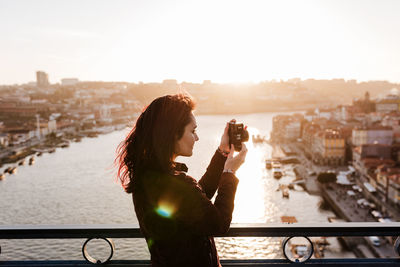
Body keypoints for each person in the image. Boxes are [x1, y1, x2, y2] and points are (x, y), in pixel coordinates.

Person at [116, 94, 247, 267]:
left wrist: (222, 154)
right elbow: (219, 223)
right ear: (171, 134)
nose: (197, 137)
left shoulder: (151, 177)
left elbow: (197, 202)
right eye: (192, 131)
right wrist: (229, 172)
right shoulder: (174, 183)